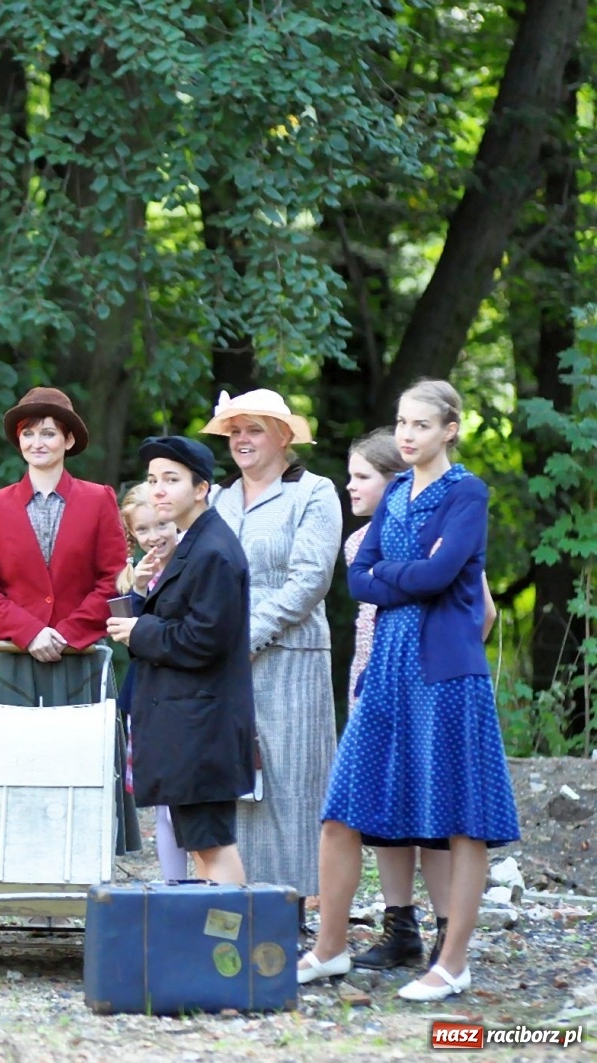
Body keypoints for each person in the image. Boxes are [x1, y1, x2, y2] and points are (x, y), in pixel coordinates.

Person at [299, 379, 520, 1001]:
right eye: (402, 423)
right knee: (342, 811)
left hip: (447, 673)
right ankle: (330, 948)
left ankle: (453, 963)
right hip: (388, 671)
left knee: (460, 821)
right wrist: (408, 575)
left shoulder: (466, 492)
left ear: (449, 429)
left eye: (420, 426)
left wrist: (397, 575)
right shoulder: (394, 492)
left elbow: (441, 574)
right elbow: (359, 577)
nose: (407, 435)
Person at [342, 427, 498, 970]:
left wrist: (440, 650)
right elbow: (362, 587)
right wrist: (406, 578)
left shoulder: (446, 520)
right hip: (373, 677)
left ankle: (445, 930)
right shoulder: (359, 541)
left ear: (394, 482)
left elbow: (481, 610)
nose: (350, 487)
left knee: (432, 812)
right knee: (384, 815)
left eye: (362, 477)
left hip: (429, 676)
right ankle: (397, 925)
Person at [0, 387, 140, 855]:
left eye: (48, 433)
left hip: (79, 656)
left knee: (80, 770)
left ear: (67, 440)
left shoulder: (98, 499)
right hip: (12, 660)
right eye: (28, 433)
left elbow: (112, 580)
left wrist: (64, 632)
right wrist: (29, 632)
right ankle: (16, 867)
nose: (37, 442)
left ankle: (82, 875)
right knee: (15, 768)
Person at [201, 390, 340, 920]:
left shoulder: (314, 493)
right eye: (234, 430)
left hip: (291, 657)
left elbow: (310, 581)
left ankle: (297, 908)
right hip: (222, 662)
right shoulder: (217, 499)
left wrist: (243, 637)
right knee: (237, 783)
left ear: (284, 436)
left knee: (292, 783)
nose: (241, 439)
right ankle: (240, 904)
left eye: (253, 429)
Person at [106, 437, 254, 885]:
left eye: (171, 480)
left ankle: (238, 949)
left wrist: (140, 631)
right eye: (153, 480)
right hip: (186, 726)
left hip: (203, 728)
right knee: (202, 845)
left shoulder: (213, 551)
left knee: (213, 843)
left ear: (201, 488)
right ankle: (219, 951)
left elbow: (205, 639)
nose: (158, 491)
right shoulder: (192, 545)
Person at [116, 484, 182, 879]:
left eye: (162, 524)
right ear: (132, 536)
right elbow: (129, 644)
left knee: (185, 808)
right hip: (145, 701)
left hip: (181, 699)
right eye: (143, 530)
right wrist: (138, 590)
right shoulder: (131, 582)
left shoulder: (193, 566)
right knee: (163, 807)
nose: (154, 536)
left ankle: (202, 888)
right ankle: (174, 887)